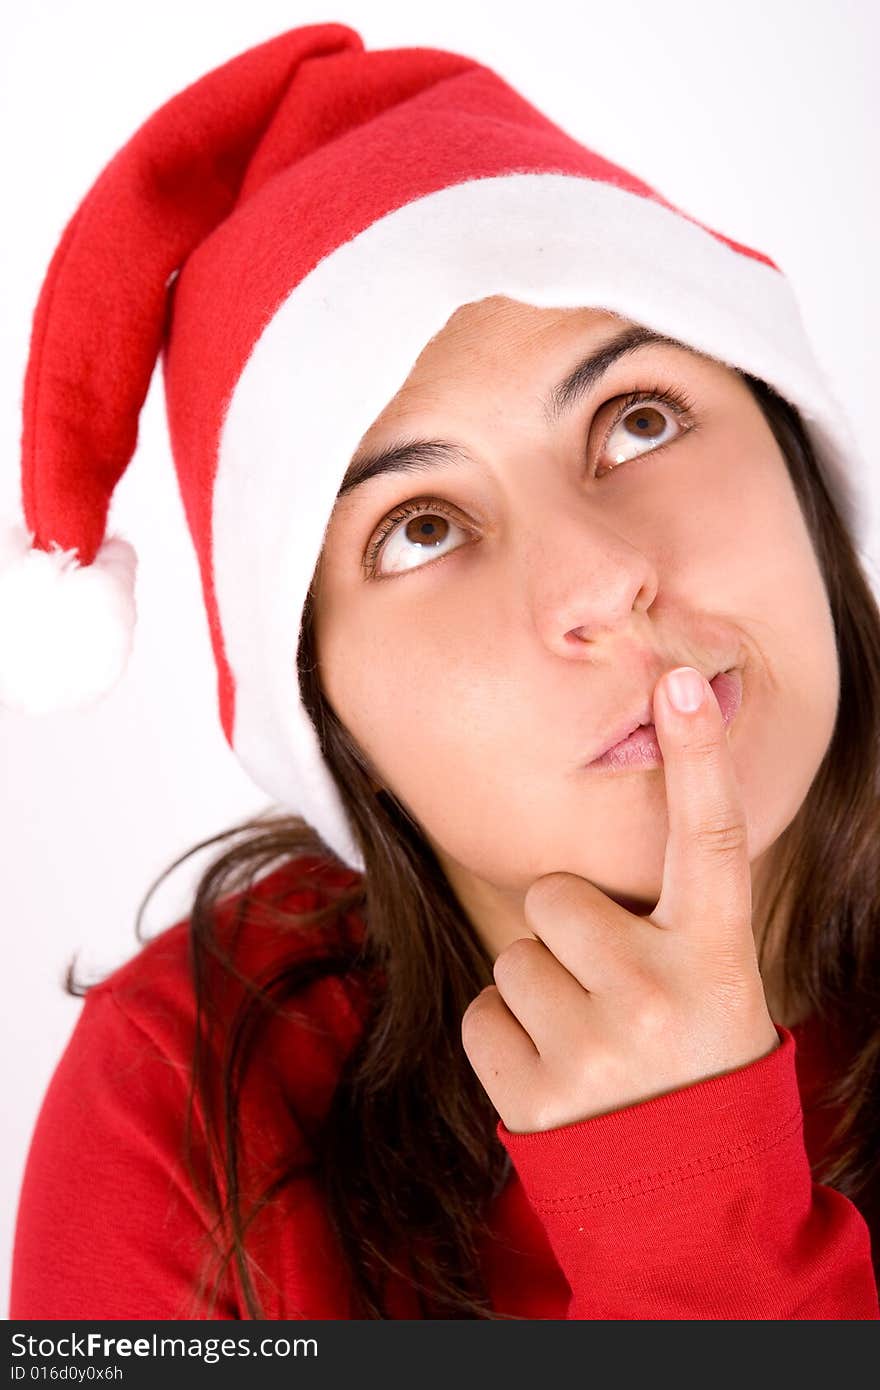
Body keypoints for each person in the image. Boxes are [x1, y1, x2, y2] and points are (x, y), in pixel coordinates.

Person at [3, 22, 879, 1321]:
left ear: (799, 469)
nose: (598, 582)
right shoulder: (183, 1097)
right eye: (421, 527)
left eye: (639, 418)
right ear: (330, 712)